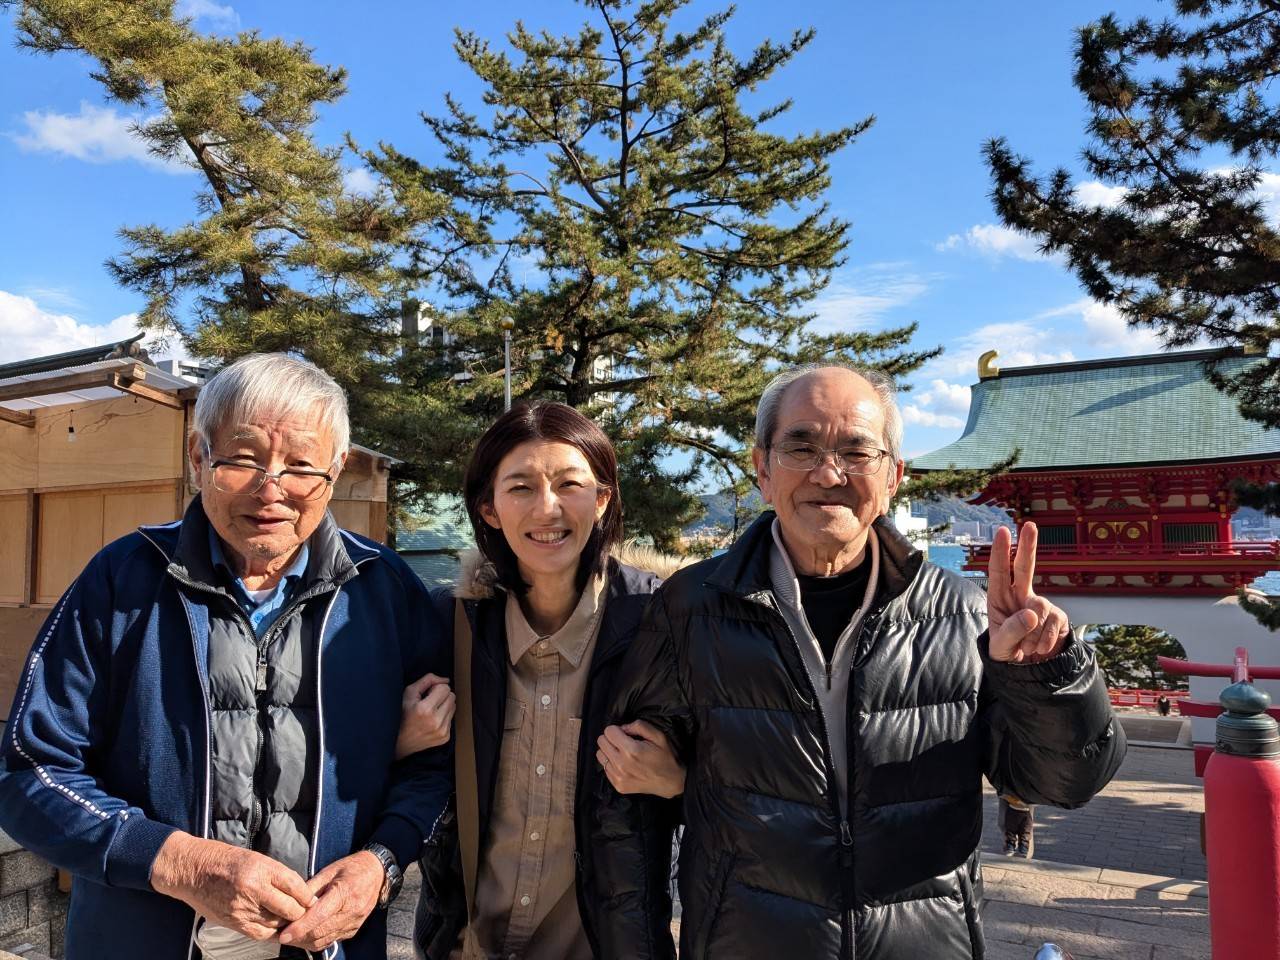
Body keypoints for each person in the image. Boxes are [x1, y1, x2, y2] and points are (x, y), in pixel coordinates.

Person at [593, 364, 1126, 959]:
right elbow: (628, 807)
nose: (828, 473)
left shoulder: (963, 614)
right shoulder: (690, 608)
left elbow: (1064, 783)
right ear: (762, 470)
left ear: (894, 476)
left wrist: (1043, 674)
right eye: (801, 446)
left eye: (857, 451)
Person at [0, 354, 453, 960]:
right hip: (139, 942)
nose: (272, 490)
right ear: (198, 458)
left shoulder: (382, 587)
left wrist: (383, 862)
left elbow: (437, 765)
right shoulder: (125, 579)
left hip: (328, 947)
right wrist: (173, 861)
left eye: (300, 466)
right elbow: (30, 769)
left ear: (336, 469)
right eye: (242, 460)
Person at [405, 401, 685, 960]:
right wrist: (400, 743)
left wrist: (681, 780)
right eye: (521, 488)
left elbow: (744, 782)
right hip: (465, 945)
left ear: (602, 499)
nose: (548, 508)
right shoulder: (450, 624)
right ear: (488, 509)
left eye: (569, 483)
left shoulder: (664, 626)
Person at [999, 794, 1035, 858]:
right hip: (1008, 788)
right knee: (1004, 824)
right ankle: (1009, 850)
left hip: (1027, 793)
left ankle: (1024, 854)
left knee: (1026, 831)